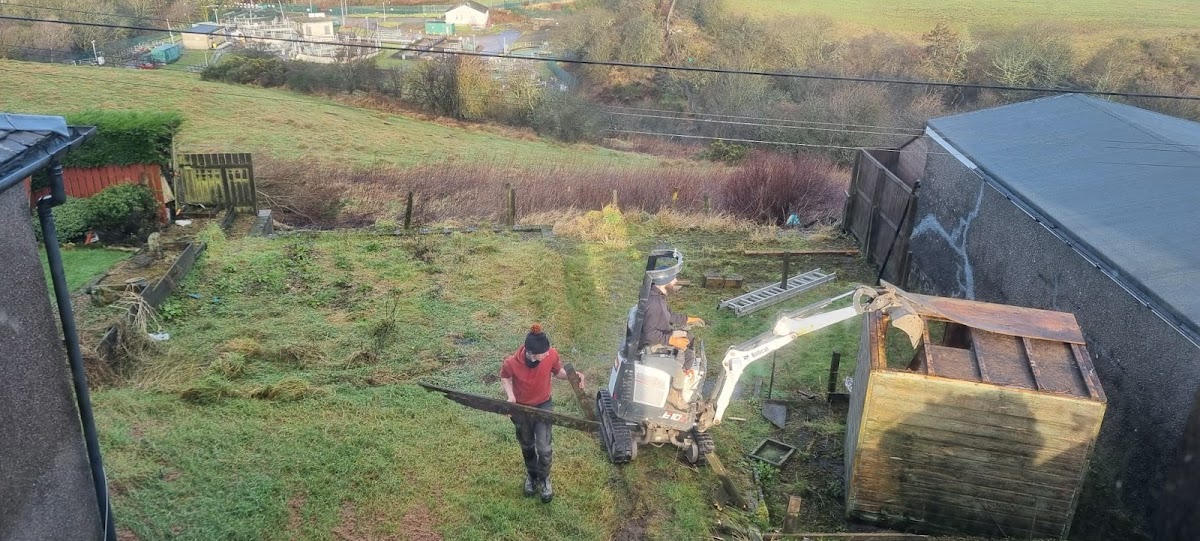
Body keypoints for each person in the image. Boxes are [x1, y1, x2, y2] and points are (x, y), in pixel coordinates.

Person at [499, 324, 583, 503]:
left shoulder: (550, 354)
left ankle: (544, 479)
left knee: (544, 448)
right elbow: (505, 376)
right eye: (542, 354)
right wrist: (511, 396)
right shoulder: (512, 363)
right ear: (530, 353)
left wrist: (573, 376)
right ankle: (532, 476)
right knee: (528, 446)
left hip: (544, 406)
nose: (546, 355)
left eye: (546, 352)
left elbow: (558, 371)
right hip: (521, 409)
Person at [641, 275, 705, 408]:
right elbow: (649, 333)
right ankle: (675, 393)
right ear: (664, 282)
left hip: (661, 334)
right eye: (673, 279)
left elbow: (668, 316)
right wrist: (672, 340)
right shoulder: (654, 304)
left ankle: (684, 372)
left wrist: (688, 319)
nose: (676, 281)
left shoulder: (657, 295)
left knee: (689, 338)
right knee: (684, 349)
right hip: (653, 343)